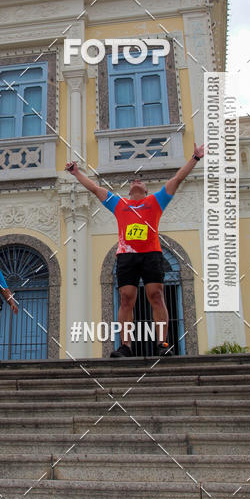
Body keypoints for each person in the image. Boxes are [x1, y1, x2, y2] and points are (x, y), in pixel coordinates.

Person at [65, 145, 205, 357]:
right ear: (129, 190)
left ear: (147, 190)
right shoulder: (119, 204)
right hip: (126, 256)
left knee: (156, 295)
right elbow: (94, 188)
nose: (137, 181)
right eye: (133, 181)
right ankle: (126, 346)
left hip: (151, 254)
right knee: (126, 297)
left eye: (141, 181)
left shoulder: (156, 201)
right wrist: (76, 173)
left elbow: (177, 179)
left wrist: (195, 157)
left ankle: (162, 343)